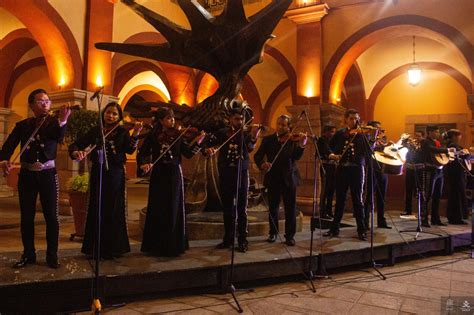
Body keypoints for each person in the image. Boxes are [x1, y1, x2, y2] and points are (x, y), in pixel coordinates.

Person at [0, 88, 71, 268]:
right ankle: (28, 255)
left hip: (48, 175)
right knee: (27, 217)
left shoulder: (54, 124)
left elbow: (59, 136)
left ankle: (52, 256)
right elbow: (8, 146)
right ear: (32, 105)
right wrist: (4, 160)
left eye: (47, 101)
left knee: (52, 217)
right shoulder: (23, 125)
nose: (45, 103)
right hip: (27, 176)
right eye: (41, 101)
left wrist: (63, 120)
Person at [69, 102, 143, 259]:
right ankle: (95, 247)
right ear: (103, 113)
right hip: (98, 172)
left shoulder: (122, 131)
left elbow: (130, 149)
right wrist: (76, 152)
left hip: (115, 174)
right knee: (97, 207)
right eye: (108, 112)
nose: (111, 116)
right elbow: (77, 144)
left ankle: (114, 248)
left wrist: (135, 134)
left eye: (115, 114)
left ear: (119, 117)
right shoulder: (97, 131)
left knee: (113, 208)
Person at [138, 107, 204, 257]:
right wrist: (144, 163)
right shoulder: (153, 136)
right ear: (161, 120)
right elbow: (143, 153)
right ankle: (156, 245)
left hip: (174, 175)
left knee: (173, 208)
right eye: (168, 118)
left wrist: (198, 142)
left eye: (173, 118)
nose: (172, 120)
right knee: (157, 207)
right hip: (158, 175)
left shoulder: (178, 135)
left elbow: (187, 153)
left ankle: (173, 245)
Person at [209, 100, 260, 253]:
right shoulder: (222, 133)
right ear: (230, 119)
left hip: (241, 173)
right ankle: (228, 238)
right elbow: (210, 144)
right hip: (226, 173)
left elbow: (249, 148)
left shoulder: (245, 134)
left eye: (242, 119)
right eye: (237, 119)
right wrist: (209, 149)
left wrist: (254, 136)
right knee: (227, 208)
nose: (240, 121)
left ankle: (243, 240)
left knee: (242, 208)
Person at [254, 114, 307, 246]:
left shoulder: (292, 140)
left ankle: (290, 236)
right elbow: (258, 155)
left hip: (289, 177)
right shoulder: (268, 140)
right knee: (273, 207)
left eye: (284, 125)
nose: (280, 127)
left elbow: (297, 156)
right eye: (279, 124)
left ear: (289, 127)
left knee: (290, 208)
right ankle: (273, 232)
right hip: (273, 177)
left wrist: (302, 144)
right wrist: (262, 164)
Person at [324, 109, 368, 241]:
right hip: (342, 169)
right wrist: (332, 155)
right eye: (352, 118)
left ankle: (362, 230)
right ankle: (334, 229)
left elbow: (367, 151)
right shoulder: (340, 133)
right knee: (340, 200)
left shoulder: (362, 134)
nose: (355, 121)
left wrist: (368, 136)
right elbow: (329, 146)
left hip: (357, 170)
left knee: (357, 200)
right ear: (346, 119)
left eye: (356, 118)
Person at [421, 125, 453, 227]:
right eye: (435, 132)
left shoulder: (437, 142)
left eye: (438, 132)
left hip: (439, 171)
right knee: (427, 196)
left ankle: (435, 219)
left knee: (437, 196)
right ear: (429, 132)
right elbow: (432, 149)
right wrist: (447, 150)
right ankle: (424, 219)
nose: (437, 134)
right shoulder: (425, 142)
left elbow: (440, 151)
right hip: (430, 171)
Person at [363, 121, 391, 229]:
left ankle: (381, 221)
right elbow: (369, 150)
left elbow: (385, 152)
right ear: (372, 128)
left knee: (382, 196)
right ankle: (365, 222)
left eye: (380, 128)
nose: (380, 130)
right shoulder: (367, 137)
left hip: (382, 169)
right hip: (371, 168)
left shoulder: (383, 138)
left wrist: (389, 147)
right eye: (377, 128)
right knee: (369, 196)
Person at [444, 129, 470, 224]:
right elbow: (456, 158)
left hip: (456, 173)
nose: (460, 137)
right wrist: (466, 156)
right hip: (455, 174)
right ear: (454, 136)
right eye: (459, 136)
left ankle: (455, 217)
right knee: (456, 195)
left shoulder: (455, 146)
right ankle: (455, 218)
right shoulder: (452, 146)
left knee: (456, 195)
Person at [402, 131, 425, 216]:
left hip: (419, 170)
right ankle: (408, 210)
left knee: (420, 190)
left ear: (422, 137)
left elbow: (424, 159)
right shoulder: (409, 146)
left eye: (419, 136)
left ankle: (422, 210)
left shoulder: (423, 146)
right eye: (415, 136)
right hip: (409, 170)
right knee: (408, 190)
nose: (416, 138)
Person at [317, 125, 337, 219]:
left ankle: (329, 211)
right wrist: (333, 155)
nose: (333, 134)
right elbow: (327, 151)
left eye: (334, 132)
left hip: (333, 167)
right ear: (326, 132)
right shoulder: (321, 140)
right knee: (325, 190)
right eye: (331, 131)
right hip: (325, 166)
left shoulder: (334, 141)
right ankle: (322, 212)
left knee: (331, 190)